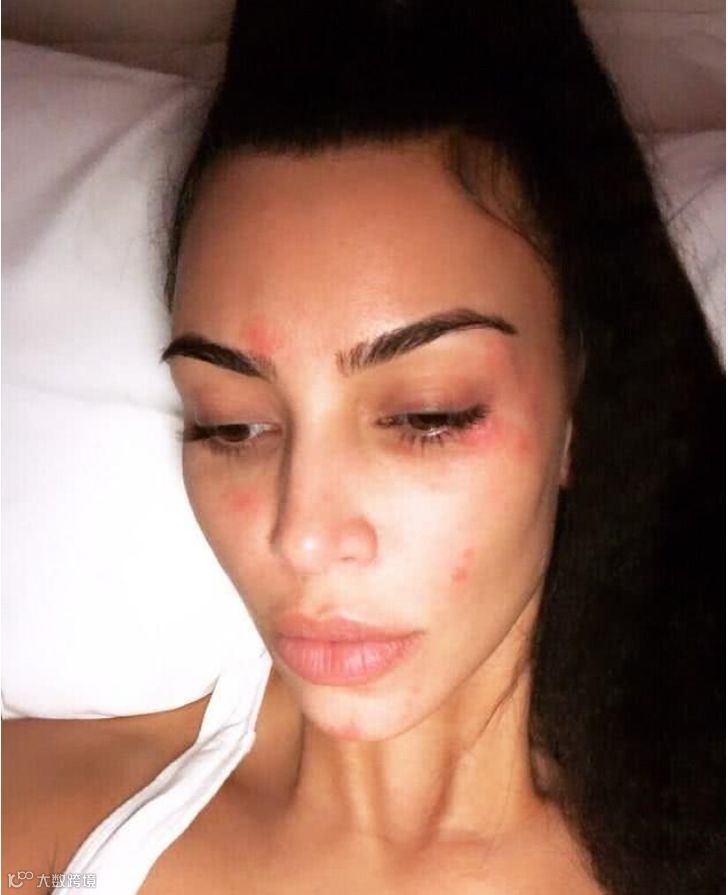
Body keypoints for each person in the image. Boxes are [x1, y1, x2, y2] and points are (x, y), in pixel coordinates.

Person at [3, 2, 723, 894]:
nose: (303, 536)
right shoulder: (41, 824)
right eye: (231, 423)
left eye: (427, 415)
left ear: (580, 402)